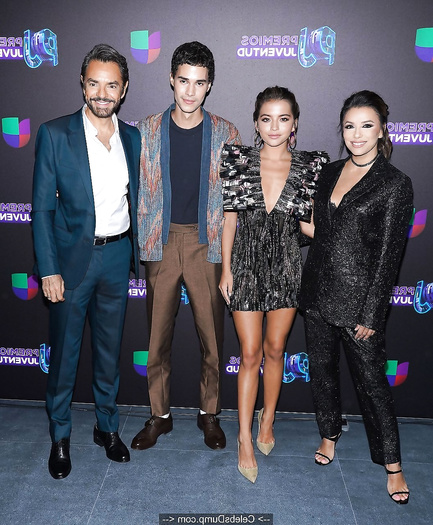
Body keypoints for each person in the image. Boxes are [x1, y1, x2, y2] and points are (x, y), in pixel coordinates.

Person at [32, 44, 141, 479]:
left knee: (109, 353)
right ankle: (60, 436)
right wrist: (48, 269)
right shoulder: (55, 133)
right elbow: (42, 208)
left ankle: (107, 427)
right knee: (64, 356)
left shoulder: (132, 137)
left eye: (111, 85)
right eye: (94, 83)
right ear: (82, 84)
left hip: (117, 256)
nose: (102, 93)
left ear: (124, 89)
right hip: (72, 261)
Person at [299, 90, 412, 504]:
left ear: (382, 130)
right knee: (322, 373)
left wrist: (372, 314)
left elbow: (388, 257)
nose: (357, 134)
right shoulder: (329, 172)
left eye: (367, 125)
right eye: (350, 126)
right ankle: (329, 434)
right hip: (316, 293)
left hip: (358, 302)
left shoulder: (395, 184)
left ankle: (393, 464)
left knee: (372, 384)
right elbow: (319, 231)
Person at [131, 41, 241, 452]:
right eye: (183, 81)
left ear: (209, 84)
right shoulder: (145, 130)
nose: (190, 91)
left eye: (199, 82)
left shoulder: (227, 133)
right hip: (160, 240)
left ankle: (208, 413)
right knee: (156, 339)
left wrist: (227, 261)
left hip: (205, 241)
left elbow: (233, 202)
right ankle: (159, 416)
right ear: (171, 80)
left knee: (212, 339)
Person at [219, 86, 328, 483]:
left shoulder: (310, 166)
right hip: (245, 266)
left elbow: (308, 226)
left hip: (285, 267)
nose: (275, 127)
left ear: (294, 123)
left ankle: (268, 421)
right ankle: (244, 438)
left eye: (283, 119)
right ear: (256, 122)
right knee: (249, 353)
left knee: (276, 349)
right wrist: (226, 270)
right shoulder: (238, 160)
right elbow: (229, 221)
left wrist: (344, 234)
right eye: (267, 119)